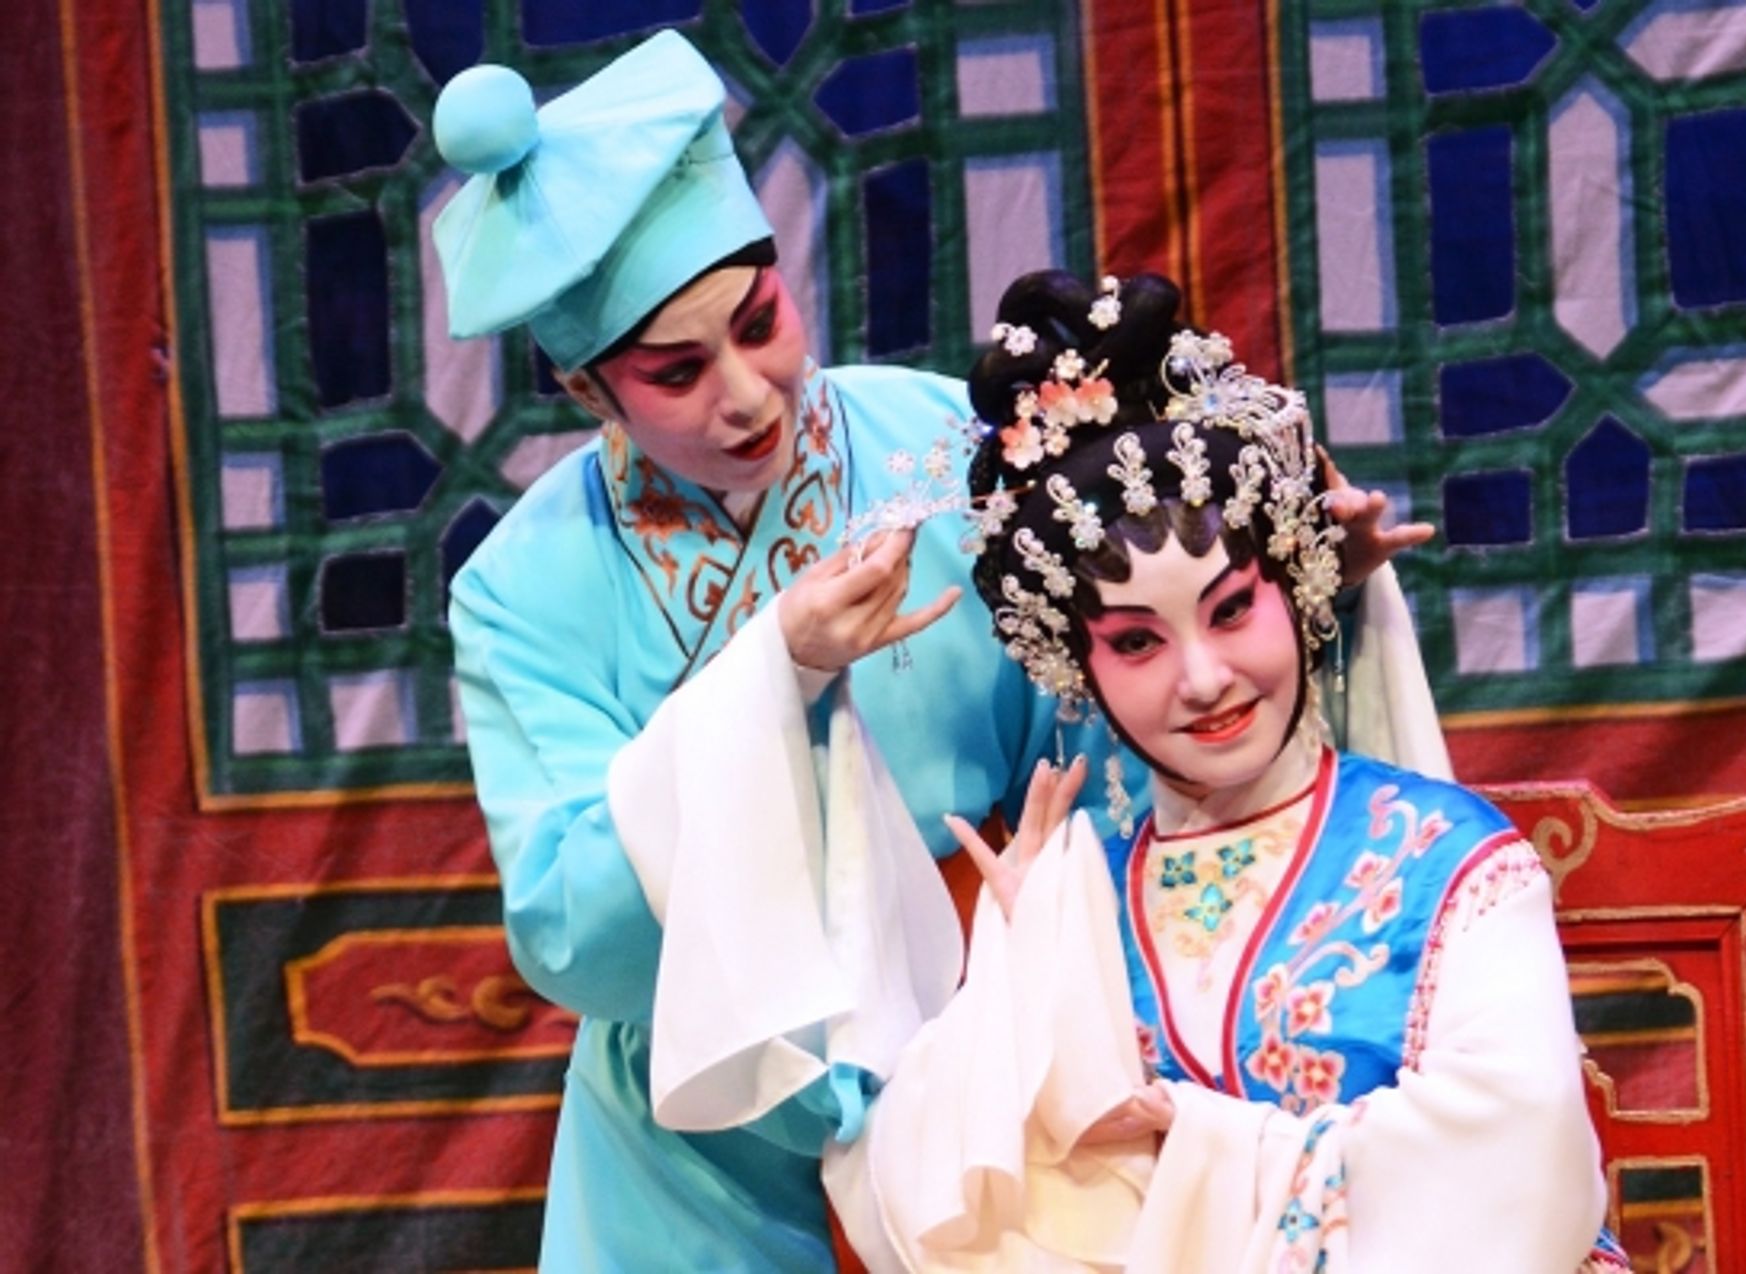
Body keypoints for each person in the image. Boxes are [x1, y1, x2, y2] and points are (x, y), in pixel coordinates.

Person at [430, 31, 1442, 1272]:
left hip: (992, 1097)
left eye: (761, 323)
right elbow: (570, 933)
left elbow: (1124, 726)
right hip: (700, 1150)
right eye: (677, 372)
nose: (747, 393)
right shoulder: (524, 590)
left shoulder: (946, 449)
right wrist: (776, 675)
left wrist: (1306, 599)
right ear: (590, 390)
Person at [829, 271, 1627, 1272]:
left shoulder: (1453, 861)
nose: (1203, 679)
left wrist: (1200, 1142)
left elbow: (1523, 1160)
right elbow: (931, 1212)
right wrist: (1013, 1000)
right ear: (1077, 667)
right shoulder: (1076, 897)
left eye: (1233, 608)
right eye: (1135, 641)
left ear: (1295, 586)